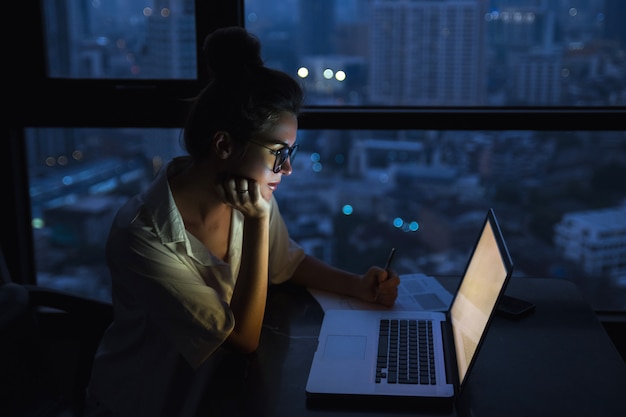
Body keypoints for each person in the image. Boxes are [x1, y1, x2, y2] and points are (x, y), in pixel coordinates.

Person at [85, 26, 400, 417]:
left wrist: (357, 287)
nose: (286, 168)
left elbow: (286, 262)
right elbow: (240, 338)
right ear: (223, 145)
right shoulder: (141, 234)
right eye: (278, 152)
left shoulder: (249, 193)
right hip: (147, 402)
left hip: (219, 390)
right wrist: (256, 222)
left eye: (291, 152)